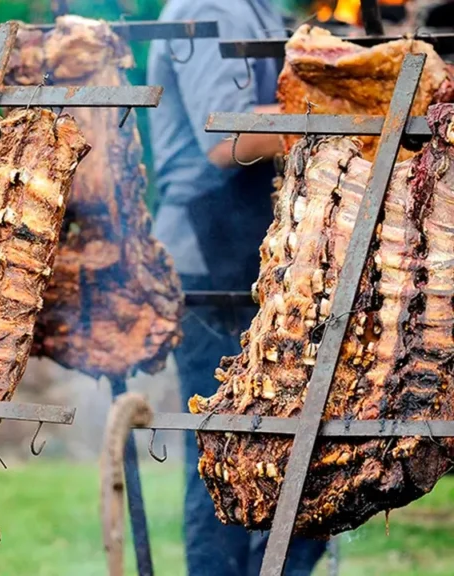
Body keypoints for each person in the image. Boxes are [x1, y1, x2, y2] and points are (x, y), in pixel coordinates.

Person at [146, 1, 329, 575]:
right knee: (224, 455)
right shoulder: (209, 6)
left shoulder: (261, 7)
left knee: (303, 452)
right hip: (209, 255)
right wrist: (340, 108)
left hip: (261, 251)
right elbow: (224, 135)